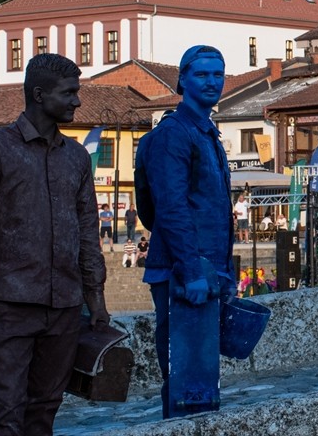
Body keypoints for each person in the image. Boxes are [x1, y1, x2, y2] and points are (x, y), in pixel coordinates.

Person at [0, 53, 108, 436]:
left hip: (64, 306)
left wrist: (96, 296)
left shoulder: (76, 156)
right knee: (3, 411)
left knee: (45, 408)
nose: (77, 101)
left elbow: (87, 228)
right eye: (69, 93)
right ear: (39, 95)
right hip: (7, 304)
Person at [137, 45, 233, 418]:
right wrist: (192, 270)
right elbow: (168, 207)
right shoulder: (174, 134)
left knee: (202, 380)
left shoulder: (206, 132)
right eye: (202, 74)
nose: (212, 82)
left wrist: (222, 273)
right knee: (187, 383)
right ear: (182, 80)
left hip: (206, 269)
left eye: (218, 74)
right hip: (183, 273)